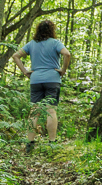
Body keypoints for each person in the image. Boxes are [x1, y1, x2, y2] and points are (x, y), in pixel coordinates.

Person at [13, 19, 73, 153]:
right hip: (52, 79)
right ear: (52, 30)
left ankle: (29, 143)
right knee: (50, 111)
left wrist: (25, 71)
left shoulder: (31, 44)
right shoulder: (55, 43)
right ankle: (52, 143)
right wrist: (63, 70)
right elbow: (67, 54)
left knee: (35, 111)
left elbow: (15, 56)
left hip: (35, 80)